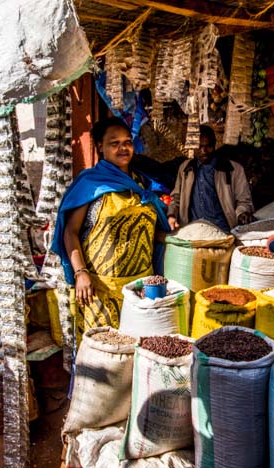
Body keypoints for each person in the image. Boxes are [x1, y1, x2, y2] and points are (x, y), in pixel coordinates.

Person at [50, 117, 170, 339]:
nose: (123, 148)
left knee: (137, 350)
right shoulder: (91, 183)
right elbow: (71, 232)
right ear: (100, 147)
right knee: (104, 355)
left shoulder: (140, 182)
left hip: (140, 288)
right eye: (114, 143)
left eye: (127, 142)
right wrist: (81, 273)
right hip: (101, 290)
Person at [167, 125, 255, 232]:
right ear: (193, 146)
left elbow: (244, 201)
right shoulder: (185, 169)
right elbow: (176, 198)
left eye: (209, 146)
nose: (204, 151)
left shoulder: (233, 169)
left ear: (215, 145)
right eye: (199, 146)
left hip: (223, 231)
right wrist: (171, 215)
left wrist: (242, 214)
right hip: (192, 231)